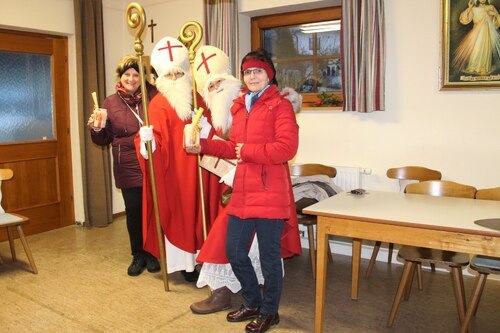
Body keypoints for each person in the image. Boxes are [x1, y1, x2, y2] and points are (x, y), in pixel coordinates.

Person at [186, 48, 301, 333]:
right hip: (244, 189)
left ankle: (270, 312)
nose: (252, 76)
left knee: (269, 257)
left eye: (257, 71)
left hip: (270, 191)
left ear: (269, 74)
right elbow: (231, 147)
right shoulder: (240, 106)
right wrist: (204, 145)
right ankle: (251, 301)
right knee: (235, 251)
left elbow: (287, 149)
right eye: (247, 72)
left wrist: (248, 151)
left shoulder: (280, 106)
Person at [136, 37, 223, 282]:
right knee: (179, 215)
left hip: (198, 170)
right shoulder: (157, 105)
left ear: (186, 72)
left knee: (200, 215)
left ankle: (203, 261)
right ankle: (185, 265)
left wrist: (208, 130)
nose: (175, 79)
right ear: (161, 78)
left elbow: (216, 134)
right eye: (170, 76)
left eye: (179, 74)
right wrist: (144, 142)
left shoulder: (198, 98)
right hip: (172, 173)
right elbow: (153, 146)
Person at [87, 55, 160, 276]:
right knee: (134, 210)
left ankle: (153, 252)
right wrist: (97, 129)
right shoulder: (110, 102)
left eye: (136, 74)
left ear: (143, 77)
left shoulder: (154, 96)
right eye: (127, 74)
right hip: (126, 162)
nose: (131, 78)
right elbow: (104, 138)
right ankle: (138, 254)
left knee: (154, 208)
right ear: (120, 77)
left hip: (153, 159)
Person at [452, 0, 500, 76]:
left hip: (486, 33)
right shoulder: (474, 8)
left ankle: (483, 67)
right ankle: (473, 66)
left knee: (485, 49)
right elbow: (464, 19)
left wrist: (495, 14)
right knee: (475, 49)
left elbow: (496, 22)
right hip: (476, 33)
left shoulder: (491, 7)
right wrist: (469, 8)